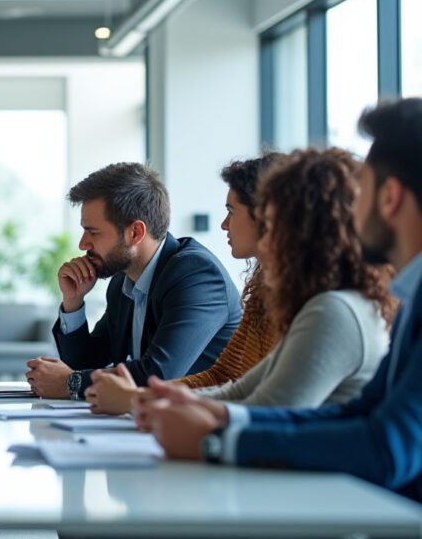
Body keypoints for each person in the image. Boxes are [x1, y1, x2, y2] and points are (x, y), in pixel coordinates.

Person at [140, 98, 422, 502]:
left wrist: (218, 440)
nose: (350, 214)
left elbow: (387, 448)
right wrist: (219, 418)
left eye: (362, 193)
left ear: (389, 197)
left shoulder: (340, 309)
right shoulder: (409, 299)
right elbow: (359, 413)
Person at [109, 149, 395, 420]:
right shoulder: (285, 295)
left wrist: (141, 401)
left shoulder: (333, 310)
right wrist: (145, 398)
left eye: (271, 225)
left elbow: (266, 411)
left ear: (301, 232)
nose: (265, 239)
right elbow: (238, 387)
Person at [84, 155, 284, 415]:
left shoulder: (195, 272)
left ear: (266, 218)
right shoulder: (262, 293)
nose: (223, 224)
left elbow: (276, 403)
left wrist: (137, 399)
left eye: (230, 212)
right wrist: (142, 397)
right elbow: (225, 378)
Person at [25, 163, 242, 400]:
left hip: (203, 426)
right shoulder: (122, 282)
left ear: (136, 233)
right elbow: (86, 362)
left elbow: (160, 373)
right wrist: (73, 302)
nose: (82, 244)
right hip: (151, 421)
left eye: (93, 232)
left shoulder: (195, 275)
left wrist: (71, 382)